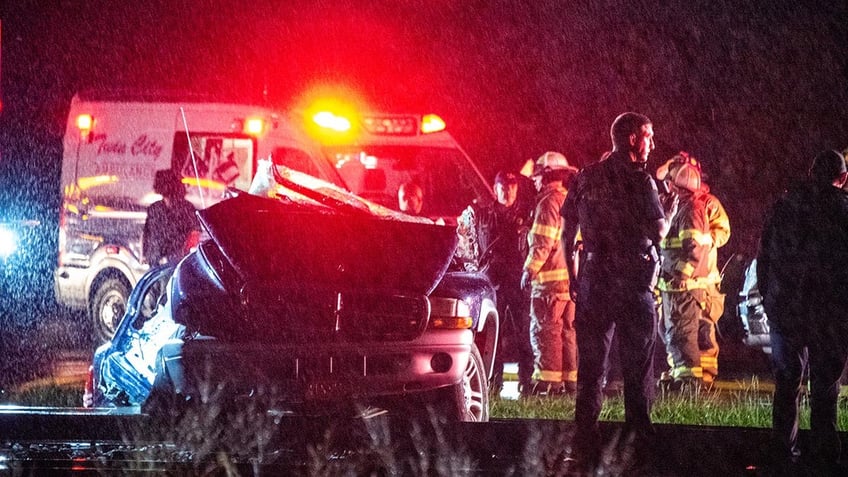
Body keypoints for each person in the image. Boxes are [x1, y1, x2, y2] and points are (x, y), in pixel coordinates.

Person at [561, 112, 677, 469]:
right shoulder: (641, 181)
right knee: (637, 368)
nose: (652, 144)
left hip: (595, 280)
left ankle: (585, 446)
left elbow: (567, 233)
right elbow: (658, 232)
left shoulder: (584, 178)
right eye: (649, 136)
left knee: (591, 369)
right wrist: (670, 213)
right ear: (631, 139)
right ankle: (637, 447)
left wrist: (574, 277)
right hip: (632, 282)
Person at [758, 149, 848, 473]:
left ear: (811, 173)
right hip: (830, 315)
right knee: (825, 387)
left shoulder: (784, 207)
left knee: (786, 384)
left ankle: (784, 452)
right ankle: (825, 455)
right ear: (843, 178)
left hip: (786, 312)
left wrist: (770, 300)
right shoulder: (843, 210)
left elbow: (763, 257)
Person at [656, 152, 730, 390]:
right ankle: (688, 373)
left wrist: (701, 243)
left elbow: (719, 234)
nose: (667, 184)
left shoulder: (704, 204)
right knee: (679, 331)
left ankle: (698, 378)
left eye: (671, 179)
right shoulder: (676, 203)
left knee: (697, 332)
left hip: (699, 282)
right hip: (682, 280)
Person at [520, 151, 579, 396]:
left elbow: (542, 243)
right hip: (570, 282)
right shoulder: (569, 200)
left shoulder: (547, 203)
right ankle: (570, 381)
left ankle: (548, 384)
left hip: (549, 284)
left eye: (537, 177)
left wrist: (529, 270)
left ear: (546, 177)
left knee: (547, 331)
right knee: (568, 332)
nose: (534, 181)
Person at [475, 170, 535, 396]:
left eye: (512, 186)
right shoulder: (483, 215)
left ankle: (527, 383)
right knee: (493, 336)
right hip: (494, 282)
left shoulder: (527, 216)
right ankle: (492, 383)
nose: (508, 191)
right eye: (503, 186)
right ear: (495, 188)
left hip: (518, 281)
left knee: (524, 334)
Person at [142, 169, 199, 266]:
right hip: (161, 258)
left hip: (172, 258)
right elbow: (147, 233)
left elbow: (194, 233)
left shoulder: (185, 208)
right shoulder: (155, 208)